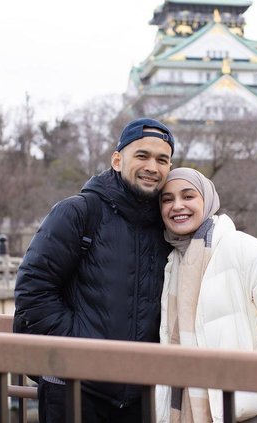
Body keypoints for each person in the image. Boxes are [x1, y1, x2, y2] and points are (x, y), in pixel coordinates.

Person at [13, 117, 175, 423]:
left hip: (141, 396)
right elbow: (32, 288)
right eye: (142, 155)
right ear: (117, 160)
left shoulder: (165, 224)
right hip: (74, 388)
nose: (152, 167)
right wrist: (77, 346)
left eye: (162, 160)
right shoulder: (79, 211)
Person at [156, 168, 257, 423]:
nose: (177, 206)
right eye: (167, 199)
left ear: (206, 201)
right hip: (212, 409)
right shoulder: (172, 264)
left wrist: (250, 384)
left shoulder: (243, 248)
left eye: (188, 196)